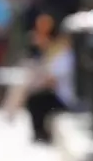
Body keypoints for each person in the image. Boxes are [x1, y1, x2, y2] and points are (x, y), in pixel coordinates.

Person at [23, 11, 76, 142]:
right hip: (56, 93)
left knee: (36, 100)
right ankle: (39, 132)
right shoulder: (55, 51)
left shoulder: (66, 56)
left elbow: (52, 80)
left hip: (64, 98)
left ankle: (40, 133)